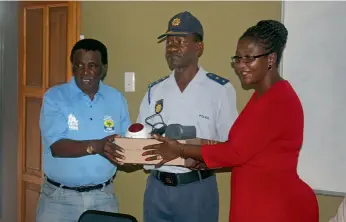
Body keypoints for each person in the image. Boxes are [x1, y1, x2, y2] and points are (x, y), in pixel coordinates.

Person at [143, 20, 320, 222]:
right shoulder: (261, 96)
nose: (241, 66)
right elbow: (238, 146)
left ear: (270, 59)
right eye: (238, 58)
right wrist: (202, 157)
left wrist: (180, 150)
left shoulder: (279, 100)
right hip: (255, 198)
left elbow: (235, 153)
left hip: (274, 204)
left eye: (249, 59)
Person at [136, 11, 238, 222]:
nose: (172, 48)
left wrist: (201, 158)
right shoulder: (155, 90)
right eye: (168, 42)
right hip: (157, 189)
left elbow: (231, 147)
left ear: (198, 47)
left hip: (196, 189)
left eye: (179, 41)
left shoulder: (219, 89)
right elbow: (140, 138)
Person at [36, 38, 130, 222]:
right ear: (73, 67)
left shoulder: (116, 99)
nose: (85, 72)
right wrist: (98, 146)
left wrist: (134, 157)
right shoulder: (55, 97)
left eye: (92, 65)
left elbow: (125, 142)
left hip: (103, 198)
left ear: (104, 68)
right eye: (79, 65)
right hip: (58, 200)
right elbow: (57, 147)